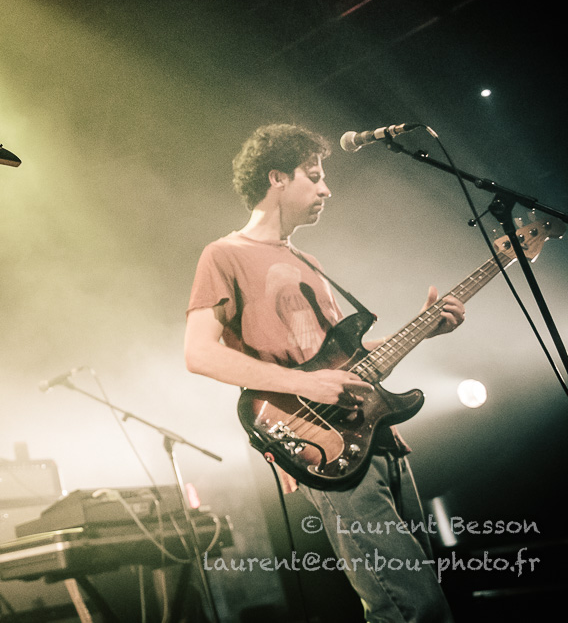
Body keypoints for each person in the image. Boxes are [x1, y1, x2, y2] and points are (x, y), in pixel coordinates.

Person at [184, 124, 463, 623]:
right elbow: (199, 354)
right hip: (327, 444)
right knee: (411, 608)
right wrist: (303, 383)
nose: (326, 189)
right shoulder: (224, 254)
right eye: (313, 177)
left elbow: (344, 362)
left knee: (423, 599)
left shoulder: (307, 261)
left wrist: (423, 330)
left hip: (379, 436)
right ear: (277, 178)